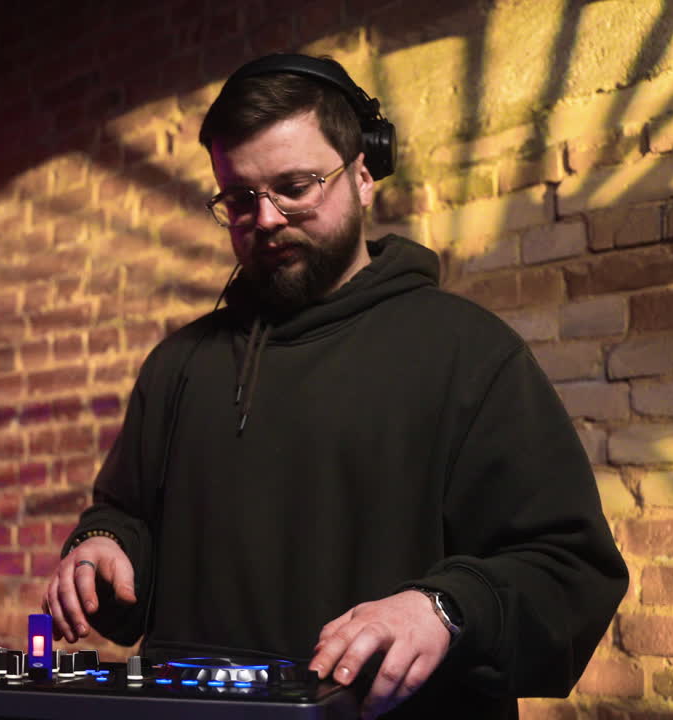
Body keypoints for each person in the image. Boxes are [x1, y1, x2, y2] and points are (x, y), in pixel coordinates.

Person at [41, 54, 628, 720]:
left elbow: (569, 570)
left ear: (364, 176)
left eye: (296, 187)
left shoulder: (469, 353)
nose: (266, 218)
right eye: (240, 199)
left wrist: (443, 608)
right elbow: (127, 524)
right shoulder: (177, 365)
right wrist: (102, 547)